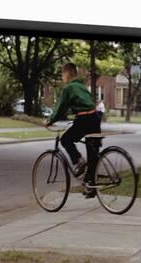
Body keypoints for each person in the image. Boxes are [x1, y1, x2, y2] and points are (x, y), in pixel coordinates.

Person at [46, 62, 101, 197]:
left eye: (63, 74)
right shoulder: (82, 86)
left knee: (65, 139)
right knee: (92, 154)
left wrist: (50, 120)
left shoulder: (69, 88)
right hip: (95, 118)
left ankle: (78, 160)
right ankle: (90, 187)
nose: (62, 77)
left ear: (68, 73)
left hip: (84, 119)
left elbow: (60, 108)